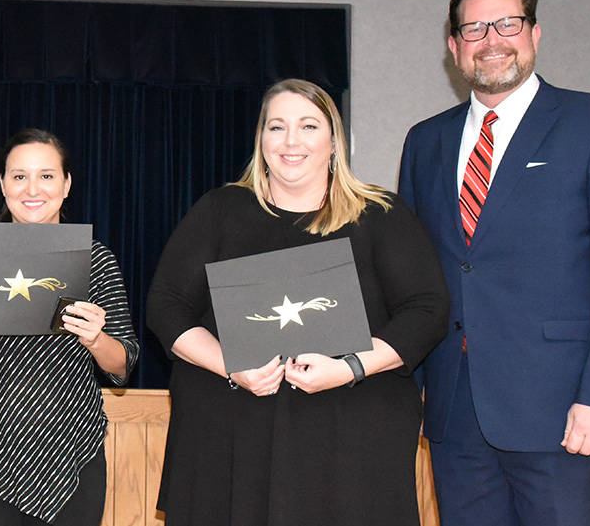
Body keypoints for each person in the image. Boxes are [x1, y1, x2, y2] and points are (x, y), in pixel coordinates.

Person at [398, 0, 590, 526]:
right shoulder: (425, 141)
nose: (491, 41)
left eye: (507, 24)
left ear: (534, 34)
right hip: (454, 414)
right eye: (474, 29)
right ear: (453, 47)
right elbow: (412, 275)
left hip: (566, 412)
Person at [147, 79, 448, 526]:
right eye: (277, 127)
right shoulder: (219, 210)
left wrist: (350, 367)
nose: (291, 141)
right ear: (261, 139)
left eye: (308, 126)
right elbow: (166, 306)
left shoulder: (380, 215)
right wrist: (232, 364)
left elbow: (428, 310)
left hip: (351, 444)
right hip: (229, 437)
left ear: (334, 142)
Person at [0, 128, 139, 526]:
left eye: (46, 175)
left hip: (70, 455)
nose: (32, 188)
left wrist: (96, 338)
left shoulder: (95, 259)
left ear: (67, 184)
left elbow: (122, 364)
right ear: (3, 184)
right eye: (19, 176)